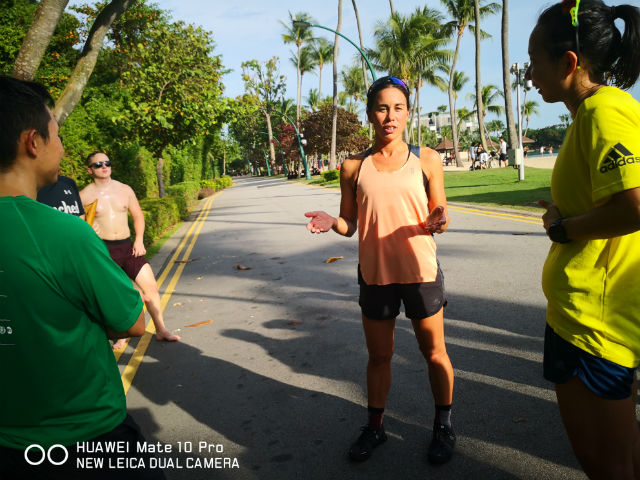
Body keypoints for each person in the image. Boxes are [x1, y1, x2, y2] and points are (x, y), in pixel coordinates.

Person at [0, 76, 164, 479]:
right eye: (57, 134)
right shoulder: (64, 232)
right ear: (33, 142)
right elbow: (132, 322)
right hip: (87, 434)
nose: (62, 147)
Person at [304, 76, 455, 465]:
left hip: (420, 272)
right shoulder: (353, 167)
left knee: (434, 353)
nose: (390, 116)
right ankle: (375, 427)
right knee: (378, 357)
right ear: (370, 113)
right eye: (383, 108)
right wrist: (331, 222)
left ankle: (443, 426)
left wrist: (438, 220)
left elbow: (440, 214)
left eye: (398, 108)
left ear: (408, 113)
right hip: (375, 276)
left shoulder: (427, 159)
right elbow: (349, 223)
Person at [527, 1, 640, 478]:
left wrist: (562, 228)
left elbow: (634, 207)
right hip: (580, 316)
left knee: (607, 465)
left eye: (535, 61)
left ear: (568, 63)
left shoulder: (603, 112)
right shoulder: (592, 113)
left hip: (593, 325)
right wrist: (565, 213)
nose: (529, 74)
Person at [80, 152, 180, 349]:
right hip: (104, 251)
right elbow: (78, 226)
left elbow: (138, 215)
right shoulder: (84, 195)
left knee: (151, 288)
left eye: (107, 162)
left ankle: (161, 329)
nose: (104, 166)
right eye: (98, 164)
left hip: (128, 247)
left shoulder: (124, 189)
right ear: (90, 170)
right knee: (117, 296)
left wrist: (139, 240)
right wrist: (89, 231)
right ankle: (122, 335)